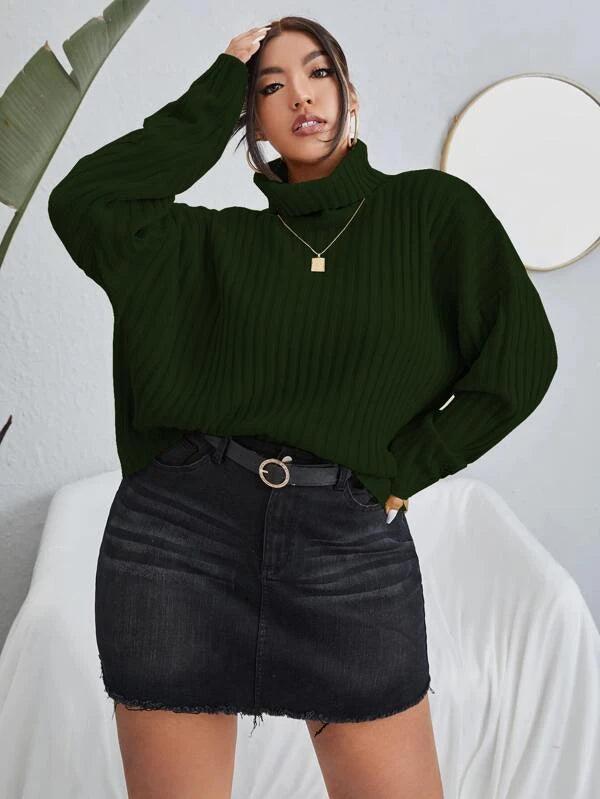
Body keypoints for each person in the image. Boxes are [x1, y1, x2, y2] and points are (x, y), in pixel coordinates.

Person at [47, 15, 557, 799]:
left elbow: (520, 358)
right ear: (250, 120)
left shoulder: (433, 213)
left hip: (346, 547)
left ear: (351, 93)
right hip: (179, 543)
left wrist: (408, 468)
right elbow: (87, 200)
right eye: (270, 87)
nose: (301, 97)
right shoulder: (203, 245)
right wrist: (218, 85)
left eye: (318, 73)